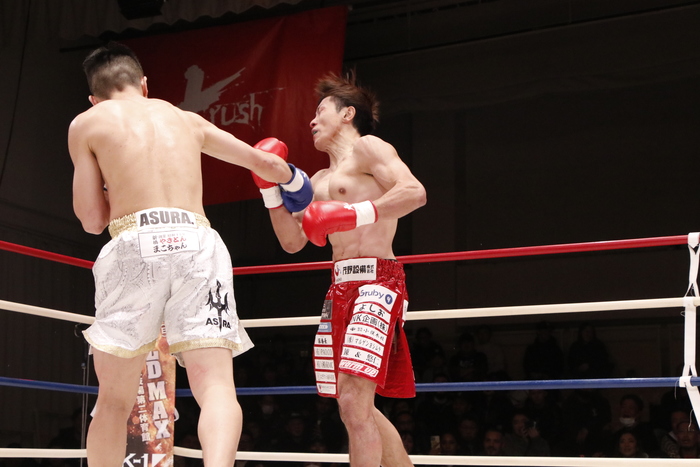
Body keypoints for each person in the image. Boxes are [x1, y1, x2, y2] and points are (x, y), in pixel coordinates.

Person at [68, 42, 310, 467]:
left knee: (114, 401)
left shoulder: (87, 123)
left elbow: (91, 220)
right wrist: (296, 183)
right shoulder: (186, 119)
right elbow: (265, 165)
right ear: (145, 85)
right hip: (197, 241)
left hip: (135, 242)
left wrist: (113, 188)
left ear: (94, 98)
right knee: (216, 388)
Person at [257, 71, 427, 466]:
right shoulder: (316, 181)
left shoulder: (369, 148)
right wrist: (269, 192)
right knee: (353, 403)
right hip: (339, 289)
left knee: (352, 402)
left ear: (348, 113)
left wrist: (354, 213)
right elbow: (293, 242)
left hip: (378, 280)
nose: (311, 120)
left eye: (321, 111)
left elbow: (414, 193)